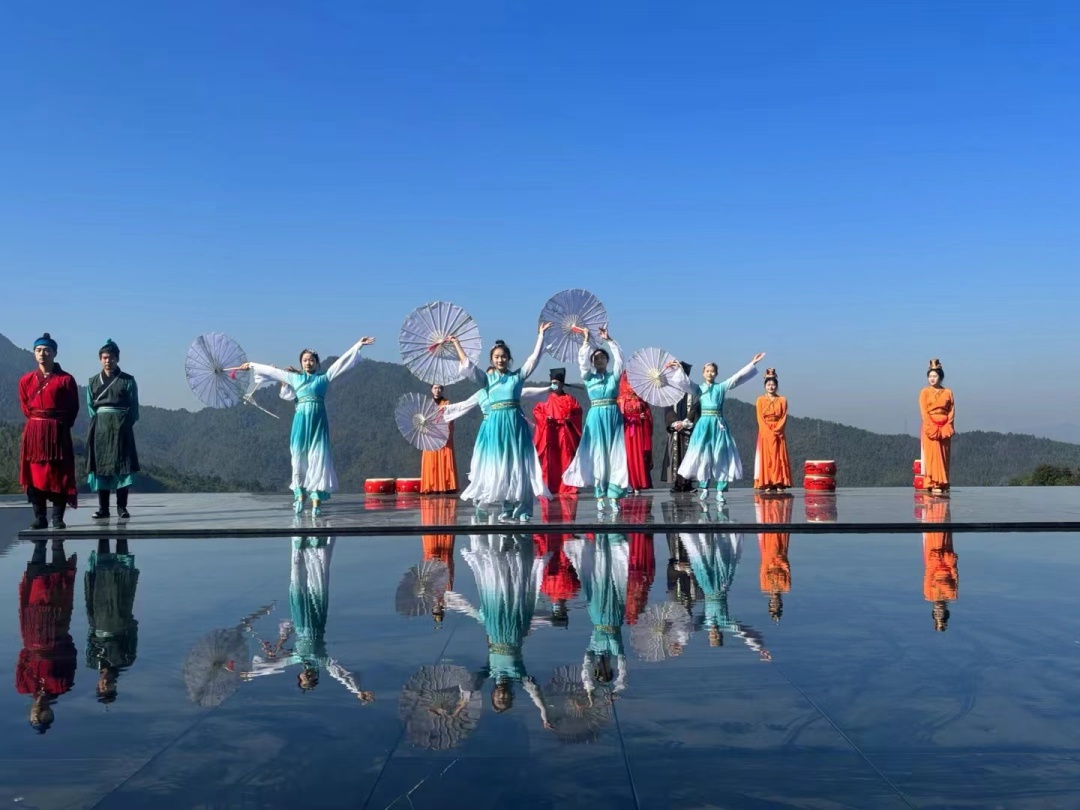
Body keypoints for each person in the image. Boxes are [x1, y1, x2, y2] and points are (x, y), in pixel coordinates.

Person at [240, 336, 375, 516]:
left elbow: (340, 363)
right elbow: (272, 372)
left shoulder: (324, 378)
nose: (308, 363)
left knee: (317, 459)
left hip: (318, 423)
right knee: (298, 458)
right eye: (304, 360)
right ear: (301, 363)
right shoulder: (294, 378)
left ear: (317, 363)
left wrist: (358, 345)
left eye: (311, 360)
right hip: (301, 422)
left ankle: (316, 501)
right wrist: (251, 365)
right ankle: (299, 496)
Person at [451, 325, 552, 522]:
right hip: (496, 427)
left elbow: (533, 360)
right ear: (491, 360)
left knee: (520, 466)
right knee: (503, 467)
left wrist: (540, 336)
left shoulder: (517, 377)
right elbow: (469, 367)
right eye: (496, 357)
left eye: (503, 356)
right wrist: (456, 344)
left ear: (509, 358)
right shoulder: (487, 379)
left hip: (515, 425)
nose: (500, 360)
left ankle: (523, 509)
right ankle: (507, 507)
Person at [668, 352, 767, 504]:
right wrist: (678, 369)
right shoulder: (699, 388)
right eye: (707, 371)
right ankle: (704, 488)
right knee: (704, 456)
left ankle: (720, 490)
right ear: (703, 373)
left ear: (716, 373)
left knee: (721, 455)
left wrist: (752, 363)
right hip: (704, 426)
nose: (710, 373)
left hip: (719, 425)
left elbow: (736, 378)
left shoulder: (721, 387)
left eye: (712, 371)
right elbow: (685, 383)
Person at [563, 327, 629, 512]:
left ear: (607, 360)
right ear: (592, 362)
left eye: (602, 357)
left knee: (615, 455)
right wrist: (585, 341)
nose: (599, 360)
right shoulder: (588, 377)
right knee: (598, 455)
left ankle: (614, 496)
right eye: (596, 358)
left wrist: (609, 340)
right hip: (596, 418)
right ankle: (600, 495)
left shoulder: (614, 377)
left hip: (613, 417)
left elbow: (620, 359)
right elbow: (582, 363)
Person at [19, 333, 80, 529]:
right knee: (34, 474)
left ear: (54, 353)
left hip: (57, 432)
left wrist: (57, 426)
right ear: (34, 353)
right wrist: (39, 423)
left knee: (58, 473)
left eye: (46, 350)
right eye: (38, 350)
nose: (42, 354)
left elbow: (73, 408)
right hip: (34, 433)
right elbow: (26, 407)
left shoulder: (66, 380)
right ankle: (40, 517)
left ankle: (57, 518)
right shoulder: (26, 380)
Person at [17, 539, 78, 733]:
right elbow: (71, 657)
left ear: (30, 713)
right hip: (55, 634)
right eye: (44, 716)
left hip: (32, 632)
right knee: (57, 587)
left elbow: (22, 660)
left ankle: (39, 544)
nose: (39, 713)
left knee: (36, 582)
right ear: (50, 713)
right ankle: (57, 544)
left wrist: (31, 647)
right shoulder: (62, 686)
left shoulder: (24, 687)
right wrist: (59, 639)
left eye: (35, 717)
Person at [86, 339, 141, 519]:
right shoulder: (93, 381)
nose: (108, 361)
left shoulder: (128, 380)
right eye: (104, 357)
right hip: (100, 429)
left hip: (121, 428)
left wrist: (124, 423)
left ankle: (121, 507)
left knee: (122, 467)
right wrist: (101, 421)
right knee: (101, 468)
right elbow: (90, 408)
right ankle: (103, 508)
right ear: (100, 359)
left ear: (117, 359)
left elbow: (134, 408)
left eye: (111, 357)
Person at [84, 537, 140, 702]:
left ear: (97, 685)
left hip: (98, 617)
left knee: (100, 575)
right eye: (108, 688)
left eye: (101, 688)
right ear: (115, 687)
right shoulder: (125, 661)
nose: (105, 685)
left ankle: (103, 534)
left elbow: (90, 639)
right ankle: (121, 534)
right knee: (122, 575)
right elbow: (132, 636)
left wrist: (93, 619)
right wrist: (126, 620)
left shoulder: (92, 662)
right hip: (120, 616)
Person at [532, 368, 583, 495]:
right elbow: (537, 411)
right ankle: (548, 486)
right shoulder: (545, 399)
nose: (554, 385)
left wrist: (570, 418)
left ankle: (567, 486)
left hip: (564, 432)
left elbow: (577, 411)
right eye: (552, 382)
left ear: (562, 384)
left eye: (556, 382)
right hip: (550, 432)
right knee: (550, 461)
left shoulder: (570, 399)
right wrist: (545, 418)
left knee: (566, 458)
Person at [661, 362, 699, 494]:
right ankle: (677, 483)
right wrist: (674, 422)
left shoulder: (693, 390)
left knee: (688, 455)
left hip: (688, 429)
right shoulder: (670, 391)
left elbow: (695, 408)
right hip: (675, 429)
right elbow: (668, 409)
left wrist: (686, 422)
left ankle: (687, 483)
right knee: (676, 455)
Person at [919, 359, 955, 494]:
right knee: (932, 455)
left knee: (944, 455)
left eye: (934, 376)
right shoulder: (924, 392)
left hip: (944, 426)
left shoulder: (948, 392)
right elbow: (924, 412)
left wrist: (948, 425)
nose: (932, 379)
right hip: (930, 426)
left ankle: (943, 482)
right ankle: (934, 482)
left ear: (940, 377)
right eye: (930, 376)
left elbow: (951, 410)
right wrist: (931, 426)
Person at [753, 368, 791, 491]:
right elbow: (759, 417)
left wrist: (777, 430)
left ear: (776, 386)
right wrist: (767, 432)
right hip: (765, 431)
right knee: (766, 457)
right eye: (768, 384)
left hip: (778, 431)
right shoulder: (760, 400)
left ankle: (779, 482)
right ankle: (767, 482)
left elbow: (783, 417)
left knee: (778, 457)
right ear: (765, 386)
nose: (771, 387)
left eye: (773, 384)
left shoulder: (782, 400)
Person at [618, 371, 653, 493]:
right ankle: (628, 482)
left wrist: (644, 417)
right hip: (626, 431)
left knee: (638, 455)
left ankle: (638, 483)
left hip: (639, 431)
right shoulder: (620, 400)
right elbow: (616, 417)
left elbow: (648, 416)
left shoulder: (641, 399)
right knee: (627, 455)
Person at [421, 384, 458, 494]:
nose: (437, 390)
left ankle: (446, 485)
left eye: (439, 388)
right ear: (431, 390)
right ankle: (431, 485)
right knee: (430, 461)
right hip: (431, 436)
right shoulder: (427, 403)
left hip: (443, 435)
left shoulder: (447, 403)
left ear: (442, 390)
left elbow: (450, 419)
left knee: (444, 459)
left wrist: (446, 431)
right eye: (435, 388)